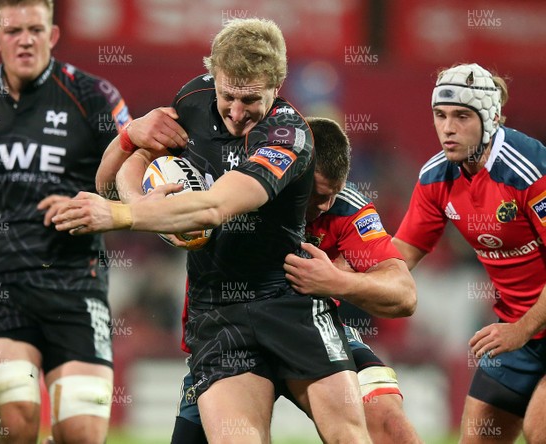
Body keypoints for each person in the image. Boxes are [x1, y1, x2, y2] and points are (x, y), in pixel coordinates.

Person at [54, 18, 372, 443]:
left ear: (277, 85)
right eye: (228, 96)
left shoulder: (288, 137)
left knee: (350, 437)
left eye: (250, 100)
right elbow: (111, 179)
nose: (237, 112)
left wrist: (120, 216)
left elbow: (214, 207)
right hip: (220, 312)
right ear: (213, 78)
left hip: (288, 302)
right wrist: (131, 141)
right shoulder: (192, 100)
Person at [170, 116, 422, 444]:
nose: (324, 206)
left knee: (389, 423)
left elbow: (405, 295)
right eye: (315, 194)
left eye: (333, 193)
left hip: (310, 332)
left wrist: (337, 282)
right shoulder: (241, 191)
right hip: (233, 336)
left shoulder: (347, 209)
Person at [0, 0, 132, 442]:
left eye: (35, 29)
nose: (25, 39)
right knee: (18, 421)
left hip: (74, 281)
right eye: (13, 31)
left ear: (52, 35)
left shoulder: (93, 96)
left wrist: (100, 206)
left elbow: (131, 177)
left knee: (82, 435)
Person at [392, 63, 546, 443]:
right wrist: (338, 275)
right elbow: (397, 257)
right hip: (515, 336)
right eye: (440, 115)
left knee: (539, 428)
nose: (447, 128)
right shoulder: (436, 178)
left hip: (521, 329)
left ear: (491, 118)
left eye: (462, 116)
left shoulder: (529, 171)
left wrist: (522, 328)